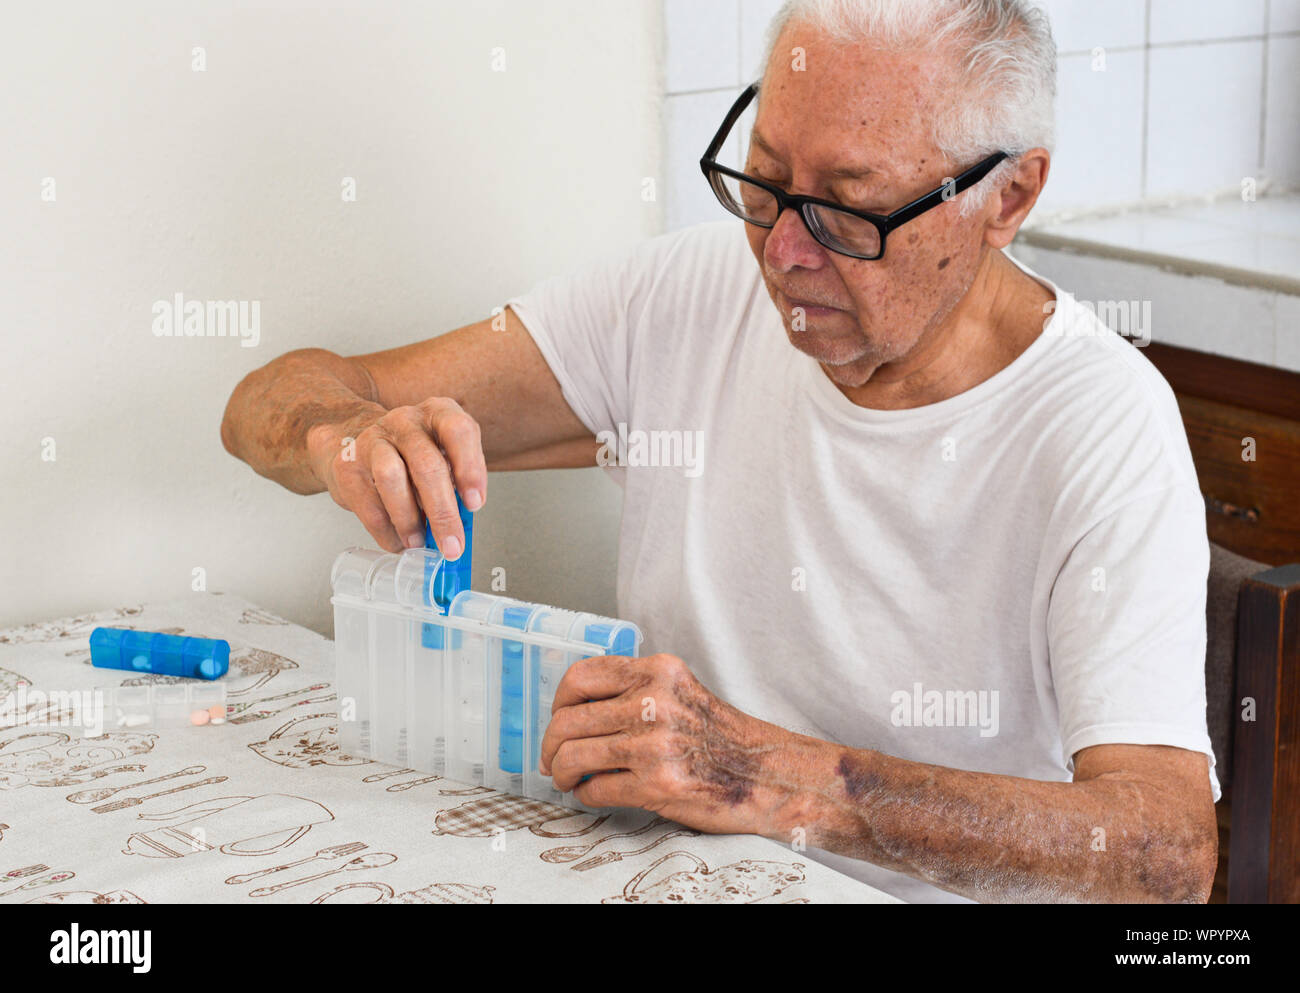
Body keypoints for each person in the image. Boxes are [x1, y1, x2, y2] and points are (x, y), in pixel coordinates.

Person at [221, 0, 1219, 902]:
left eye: (845, 209)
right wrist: (343, 437)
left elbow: (1163, 854)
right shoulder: (688, 295)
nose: (784, 250)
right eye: (765, 180)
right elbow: (270, 402)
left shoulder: (1100, 425)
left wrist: (779, 782)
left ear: (1006, 199)